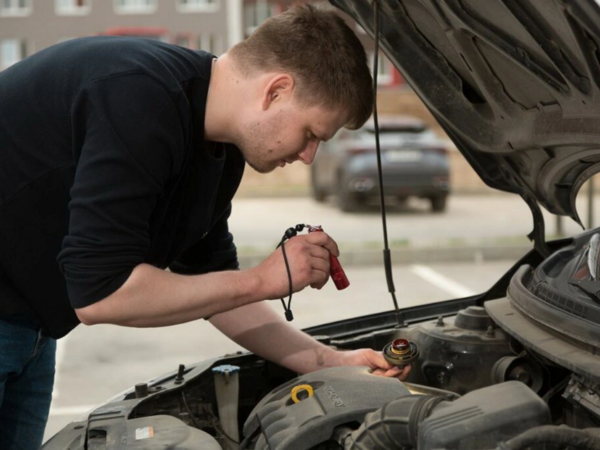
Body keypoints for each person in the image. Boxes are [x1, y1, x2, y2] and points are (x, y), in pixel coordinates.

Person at [0, 4, 410, 448]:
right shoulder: (139, 99)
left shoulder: (217, 148)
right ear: (276, 91)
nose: (309, 156)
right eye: (311, 133)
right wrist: (261, 279)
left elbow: (217, 290)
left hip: (31, 329)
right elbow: (100, 293)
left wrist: (329, 360)